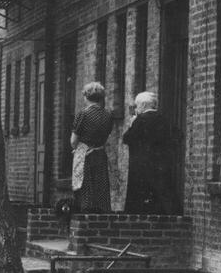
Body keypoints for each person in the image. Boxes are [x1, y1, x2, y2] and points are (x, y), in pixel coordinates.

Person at [123, 91, 180, 214]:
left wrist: (131, 124)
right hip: (161, 164)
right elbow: (178, 136)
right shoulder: (165, 119)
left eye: (137, 105)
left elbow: (127, 138)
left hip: (142, 165)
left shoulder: (140, 120)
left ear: (143, 105)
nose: (136, 109)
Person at [70, 82, 116, 212]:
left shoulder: (83, 114)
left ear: (86, 96)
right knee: (100, 189)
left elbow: (73, 141)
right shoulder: (108, 115)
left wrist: (77, 148)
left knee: (85, 188)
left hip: (85, 155)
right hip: (100, 155)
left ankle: (84, 217)